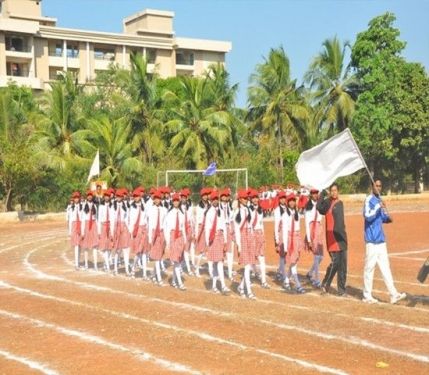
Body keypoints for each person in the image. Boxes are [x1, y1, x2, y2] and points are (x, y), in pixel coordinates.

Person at [362, 179, 407, 304]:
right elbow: (367, 216)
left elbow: (386, 219)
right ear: (372, 186)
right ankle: (367, 295)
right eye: (376, 185)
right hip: (371, 240)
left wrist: (387, 212)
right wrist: (377, 206)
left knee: (385, 268)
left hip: (381, 240)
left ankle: (393, 294)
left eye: (380, 186)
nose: (378, 188)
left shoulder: (379, 201)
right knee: (369, 268)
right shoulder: (368, 200)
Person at [316, 183, 348, 296]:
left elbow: (340, 223)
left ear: (338, 191)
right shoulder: (328, 203)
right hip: (332, 238)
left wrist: (344, 238)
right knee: (335, 263)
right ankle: (326, 284)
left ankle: (341, 290)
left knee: (342, 265)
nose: (334, 192)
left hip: (341, 238)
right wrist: (322, 194)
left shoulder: (340, 203)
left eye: (335, 190)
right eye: (332, 190)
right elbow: (319, 208)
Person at [205, 190, 230, 295]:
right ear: (211, 201)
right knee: (218, 262)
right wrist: (207, 243)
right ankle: (223, 286)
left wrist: (224, 240)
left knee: (217, 263)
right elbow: (207, 228)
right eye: (213, 199)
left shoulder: (220, 211)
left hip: (220, 237)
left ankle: (214, 286)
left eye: (216, 199)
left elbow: (223, 226)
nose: (215, 201)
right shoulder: (209, 212)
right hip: (213, 238)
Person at [164, 193, 187, 290]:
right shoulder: (169, 214)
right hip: (173, 236)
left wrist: (185, 240)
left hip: (180, 237)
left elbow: (183, 227)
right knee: (176, 261)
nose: (176, 202)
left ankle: (173, 281)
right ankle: (180, 283)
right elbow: (167, 228)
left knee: (178, 260)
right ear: (172, 202)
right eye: (174, 201)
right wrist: (168, 242)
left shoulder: (182, 213)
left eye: (177, 200)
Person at [248, 189, 269, 289]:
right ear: (251, 199)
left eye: (257, 198)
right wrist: (250, 237)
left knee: (262, 258)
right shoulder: (248, 210)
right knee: (251, 258)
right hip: (252, 235)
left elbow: (261, 223)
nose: (255, 200)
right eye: (253, 198)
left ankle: (264, 280)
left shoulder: (260, 210)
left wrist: (263, 235)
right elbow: (249, 225)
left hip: (260, 234)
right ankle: (252, 276)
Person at [305, 188, 324, 288]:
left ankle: (310, 273)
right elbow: (307, 224)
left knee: (321, 256)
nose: (315, 195)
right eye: (313, 193)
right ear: (310, 195)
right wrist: (308, 240)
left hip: (319, 230)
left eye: (317, 193)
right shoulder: (308, 207)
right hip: (313, 230)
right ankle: (317, 279)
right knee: (316, 256)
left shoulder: (320, 204)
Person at [147, 190, 167, 286]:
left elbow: (165, 223)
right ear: (153, 200)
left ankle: (153, 275)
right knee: (157, 258)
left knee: (159, 256)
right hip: (154, 233)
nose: (157, 200)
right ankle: (159, 279)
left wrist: (165, 237)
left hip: (161, 233)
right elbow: (150, 224)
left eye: (159, 198)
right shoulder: (151, 210)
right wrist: (150, 238)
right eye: (156, 199)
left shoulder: (164, 210)